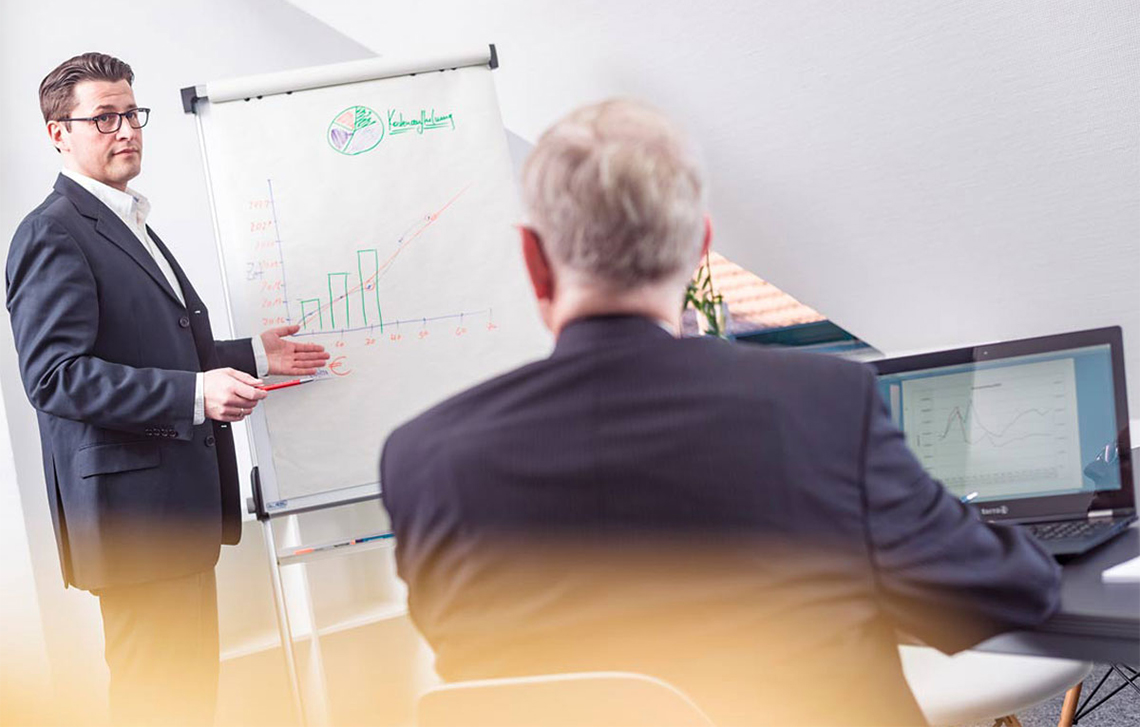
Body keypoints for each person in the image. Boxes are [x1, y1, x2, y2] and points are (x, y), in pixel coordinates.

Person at [379, 99, 1062, 725]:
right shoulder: (822, 405)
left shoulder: (423, 461)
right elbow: (996, 596)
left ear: (533, 260)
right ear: (700, 248)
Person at [5, 52, 329, 725]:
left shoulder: (126, 220)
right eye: (105, 118)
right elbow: (54, 376)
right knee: (159, 700)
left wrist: (255, 355)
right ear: (58, 133)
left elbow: (157, 344)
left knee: (187, 697)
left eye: (132, 114)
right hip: (135, 525)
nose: (126, 130)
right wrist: (192, 396)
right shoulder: (52, 232)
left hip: (169, 514)